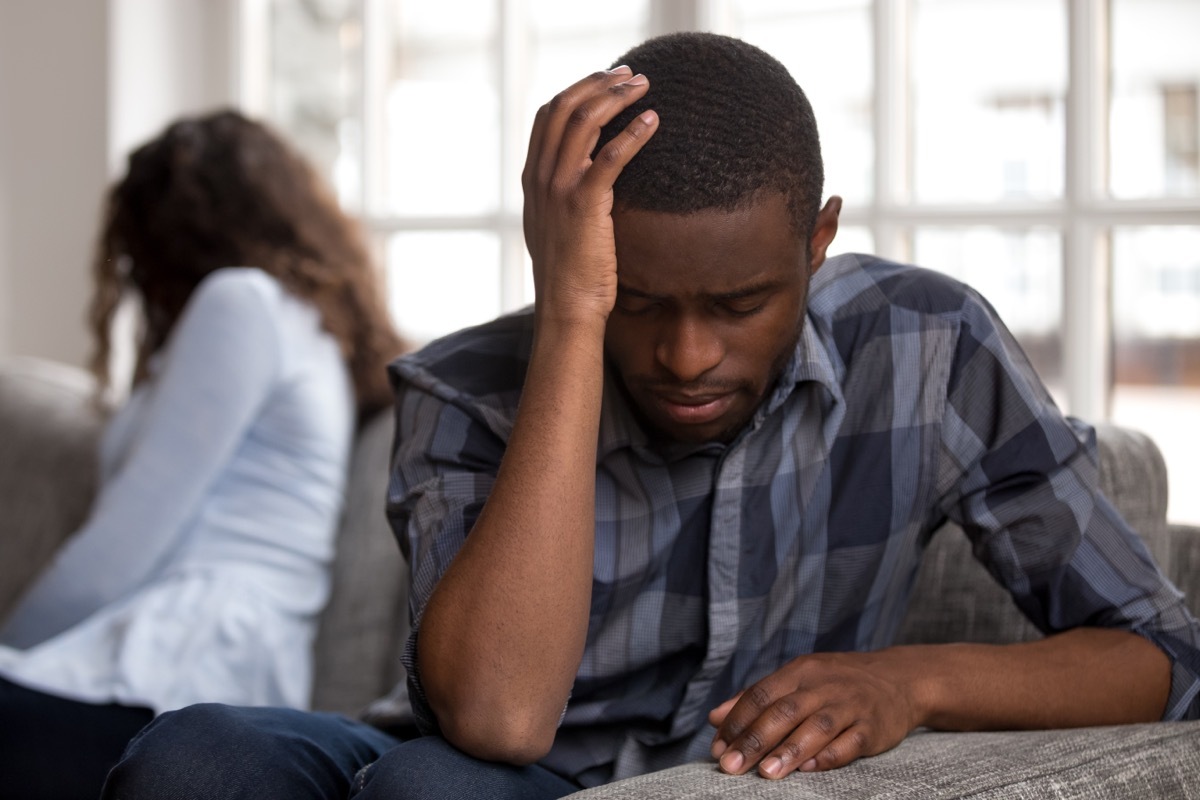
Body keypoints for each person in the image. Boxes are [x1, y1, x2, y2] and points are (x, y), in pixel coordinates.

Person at [100, 32, 1200, 800]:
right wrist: (574, 317)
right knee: (192, 756)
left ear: (817, 242)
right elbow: (497, 716)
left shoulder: (929, 345)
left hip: (543, 782)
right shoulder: (464, 389)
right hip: (481, 755)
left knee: (430, 792)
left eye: (739, 304)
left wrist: (910, 680)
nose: (686, 355)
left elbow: (1161, 652)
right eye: (637, 301)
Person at [0, 110, 403, 798]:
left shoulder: (240, 303)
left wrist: (12, 645)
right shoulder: (297, 321)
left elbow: (122, 547)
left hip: (182, 665)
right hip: (190, 669)